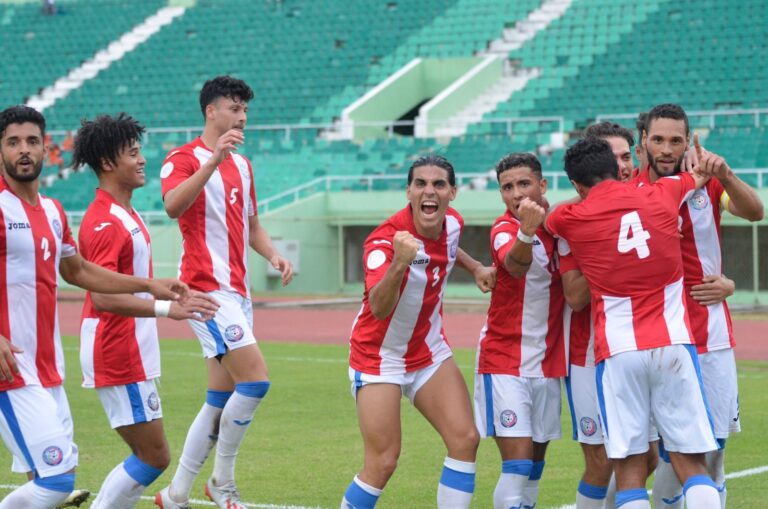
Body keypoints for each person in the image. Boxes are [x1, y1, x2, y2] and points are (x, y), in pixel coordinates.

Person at [0, 105, 186, 509]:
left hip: (47, 368)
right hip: (10, 367)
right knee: (55, 481)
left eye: (32, 141)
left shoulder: (52, 212)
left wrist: (150, 286)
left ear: (46, 147)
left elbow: (80, 271)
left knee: (51, 480)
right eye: (13, 142)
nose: (24, 150)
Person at [546, 137, 722, 509]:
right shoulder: (663, 193)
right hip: (673, 343)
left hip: (618, 352)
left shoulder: (569, 217)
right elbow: (696, 177)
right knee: (691, 463)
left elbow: (548, 220)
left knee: (629, 468)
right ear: (616, 168)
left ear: (577, 185)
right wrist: (700, 162)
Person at [155, 76, 294, 509]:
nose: (242, 117)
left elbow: (252, 226)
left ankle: (177, 493)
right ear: (211, 111)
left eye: (246, 110)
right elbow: (173, 206)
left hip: (239, 293)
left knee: (218, 398)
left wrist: (273, 255)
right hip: (205, 290)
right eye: (235, 109)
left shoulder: (244, 165)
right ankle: (222, 482)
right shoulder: (182, 158)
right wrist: (211, 162)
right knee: (255, 381)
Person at [72, 113, 221, 509]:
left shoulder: (127, 212)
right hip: (117, 349)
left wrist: (168, 297)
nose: (142, 160)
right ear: (107, 163)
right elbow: (101, 297)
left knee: (152, 455)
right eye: (133, 153)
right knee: (154, 456)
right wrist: (165, 308)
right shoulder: (105, 221)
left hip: (128, 348)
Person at [341, 155, 496, 509]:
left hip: (428, 352)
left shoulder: (453, 224)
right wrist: (401, 261)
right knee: (382, 463)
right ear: (409, 191)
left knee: (465, 439)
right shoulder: (383, 243)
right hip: (379, 358)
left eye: (439, 184)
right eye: (421, 184)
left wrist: (473, 267)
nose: (430, 191)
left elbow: (450, 249)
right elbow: (379, 307)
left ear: (453, 192)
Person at [635, 104, 763, 509]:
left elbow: (755, 212)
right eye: (658, 139)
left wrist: (724, 173)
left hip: (711, 335)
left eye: (676, 140)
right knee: (669, 454)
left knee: (713, 452)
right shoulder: (631, 193)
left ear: (689, 141)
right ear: (644, 142)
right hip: (656, 338)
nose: (667, 148)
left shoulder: (708, 186)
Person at [472, 153, 566, 509]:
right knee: (518, 463)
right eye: (506, 187)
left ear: (542, 186)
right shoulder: (504, 229)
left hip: (546, 364)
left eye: (523, 184)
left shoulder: (558, 227)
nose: (515, 193)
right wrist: (526, 231)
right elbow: (514, 266)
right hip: (504, 361)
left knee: (535, 467)